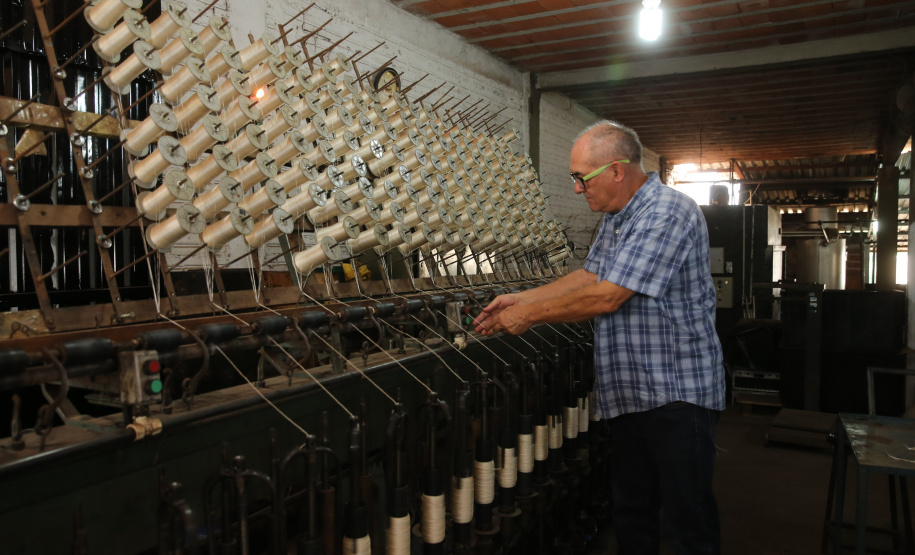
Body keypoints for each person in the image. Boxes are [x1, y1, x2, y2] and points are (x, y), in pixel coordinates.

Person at [474, 121, 725, 555]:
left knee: (688, 523)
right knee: (633, 513)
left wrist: (530, 315)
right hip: (631, 396)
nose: (576, 189)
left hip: (677, 398)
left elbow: (609, 296)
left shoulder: (668, 211)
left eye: (580, 178)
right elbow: (588, 276)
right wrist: (520, 296)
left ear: (615, 170)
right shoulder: (615, 218)